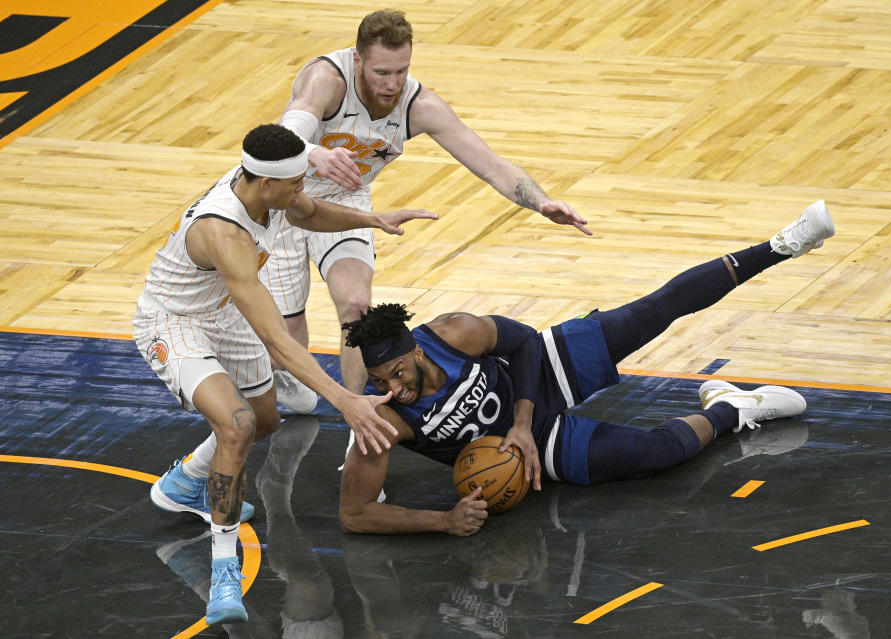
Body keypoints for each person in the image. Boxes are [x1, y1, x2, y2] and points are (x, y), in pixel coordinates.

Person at [337, 201, 836, 535]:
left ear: (418, 351)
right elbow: (354, 515)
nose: (394, 389)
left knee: (654, 310)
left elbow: (527, 343)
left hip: (532, 382)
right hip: (515, 452)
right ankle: (732, 408)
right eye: (381, 382)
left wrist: (523, 421)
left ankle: (780, 246)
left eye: (399, 374)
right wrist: (443, 521)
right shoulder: (381, 418)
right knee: (656, 454)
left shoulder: (454, 331)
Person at [133, 123, 435, 625]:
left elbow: (311, 211)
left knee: (266, 420)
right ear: (265, 184)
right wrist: (345, 399)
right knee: (237, 426)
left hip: (222, 310)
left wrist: (372, 218)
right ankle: (224, 569)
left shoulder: (272, 187)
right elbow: (277, 339)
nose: (302, 190)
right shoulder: (224, 233)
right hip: (175, 320)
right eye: (294, 184)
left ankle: (187, 482)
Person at [262, 8, 591, 416]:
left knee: (356, 308)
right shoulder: (327, 78)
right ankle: (286, 373)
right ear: (358, 59)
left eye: (402, 70)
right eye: (383, 72)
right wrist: (315, 153)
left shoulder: (420, 105)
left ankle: (360, 420)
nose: (393, 83)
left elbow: (490, 164)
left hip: (344, 200)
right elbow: (285, 135)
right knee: (287, 331)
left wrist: (541, 202)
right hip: (284, 197)